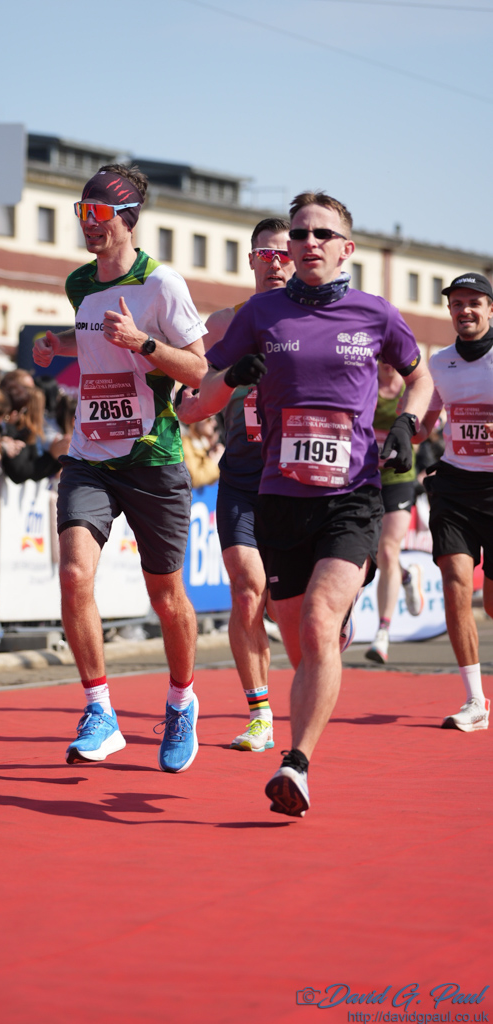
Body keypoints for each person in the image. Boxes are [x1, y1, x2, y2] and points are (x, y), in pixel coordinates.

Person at [197, 191, 432, 816]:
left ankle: (295, 764)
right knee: (301, 636)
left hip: (351, 496)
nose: (307, 244)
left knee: (320, 624)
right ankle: (323, 656)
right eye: (298, 235)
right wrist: (234, 377)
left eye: (321, 235)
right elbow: (198, 399)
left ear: (346, 248)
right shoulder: (260, 313)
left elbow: (421, 374)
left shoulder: (375, 313)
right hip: (278, 496)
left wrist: (407, 423)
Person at [33, 163, 208, 772]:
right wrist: (59, 344)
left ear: (128, 217)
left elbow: (200, 370)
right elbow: (91, 331)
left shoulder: (162, 285)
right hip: (89, 456)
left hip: (154, 456)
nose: (88, 224)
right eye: (81, 213)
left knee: (166, 595)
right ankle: (99, 711)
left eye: (99, 214)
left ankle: (182, 703)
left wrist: (143, 344)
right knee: (75, 574)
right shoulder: (78, 284)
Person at [177, 217, 295, 752]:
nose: (274, 264)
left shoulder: (313, 321)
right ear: (250, 261)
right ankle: (260, 714)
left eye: (282, 255)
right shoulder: (223, 323)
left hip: (299, 480)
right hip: (243, 475)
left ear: (297, 259)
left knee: (291, 603)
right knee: (246, 590)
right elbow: (191, 386)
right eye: (263, 255)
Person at [416, 272, 493, 732]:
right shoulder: (439, 363)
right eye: (457, 303)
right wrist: (397, 438)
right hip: (455, 486)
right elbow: (426, 419)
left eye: (474, 303)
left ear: (490, 309)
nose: (464, 311)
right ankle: (475, 701)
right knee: (455, 580)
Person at [365, 359, 424, 664]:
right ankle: (405, 576)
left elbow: (426, 429)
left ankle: (382, 633)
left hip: (400, 479)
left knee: (388, 550)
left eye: (392, 360)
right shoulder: (365, 383)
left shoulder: (407, 389)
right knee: (374, 551)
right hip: (366, 478)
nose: (388, 365)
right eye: (382, 359)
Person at [0, 369, 68, 485]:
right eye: (28, 389)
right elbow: (19, 472)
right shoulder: (8, 425)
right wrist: (52, 456)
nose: (34, 393)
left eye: (34, 388)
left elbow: (32, 469)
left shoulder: (28, 427)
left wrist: (55, 458)